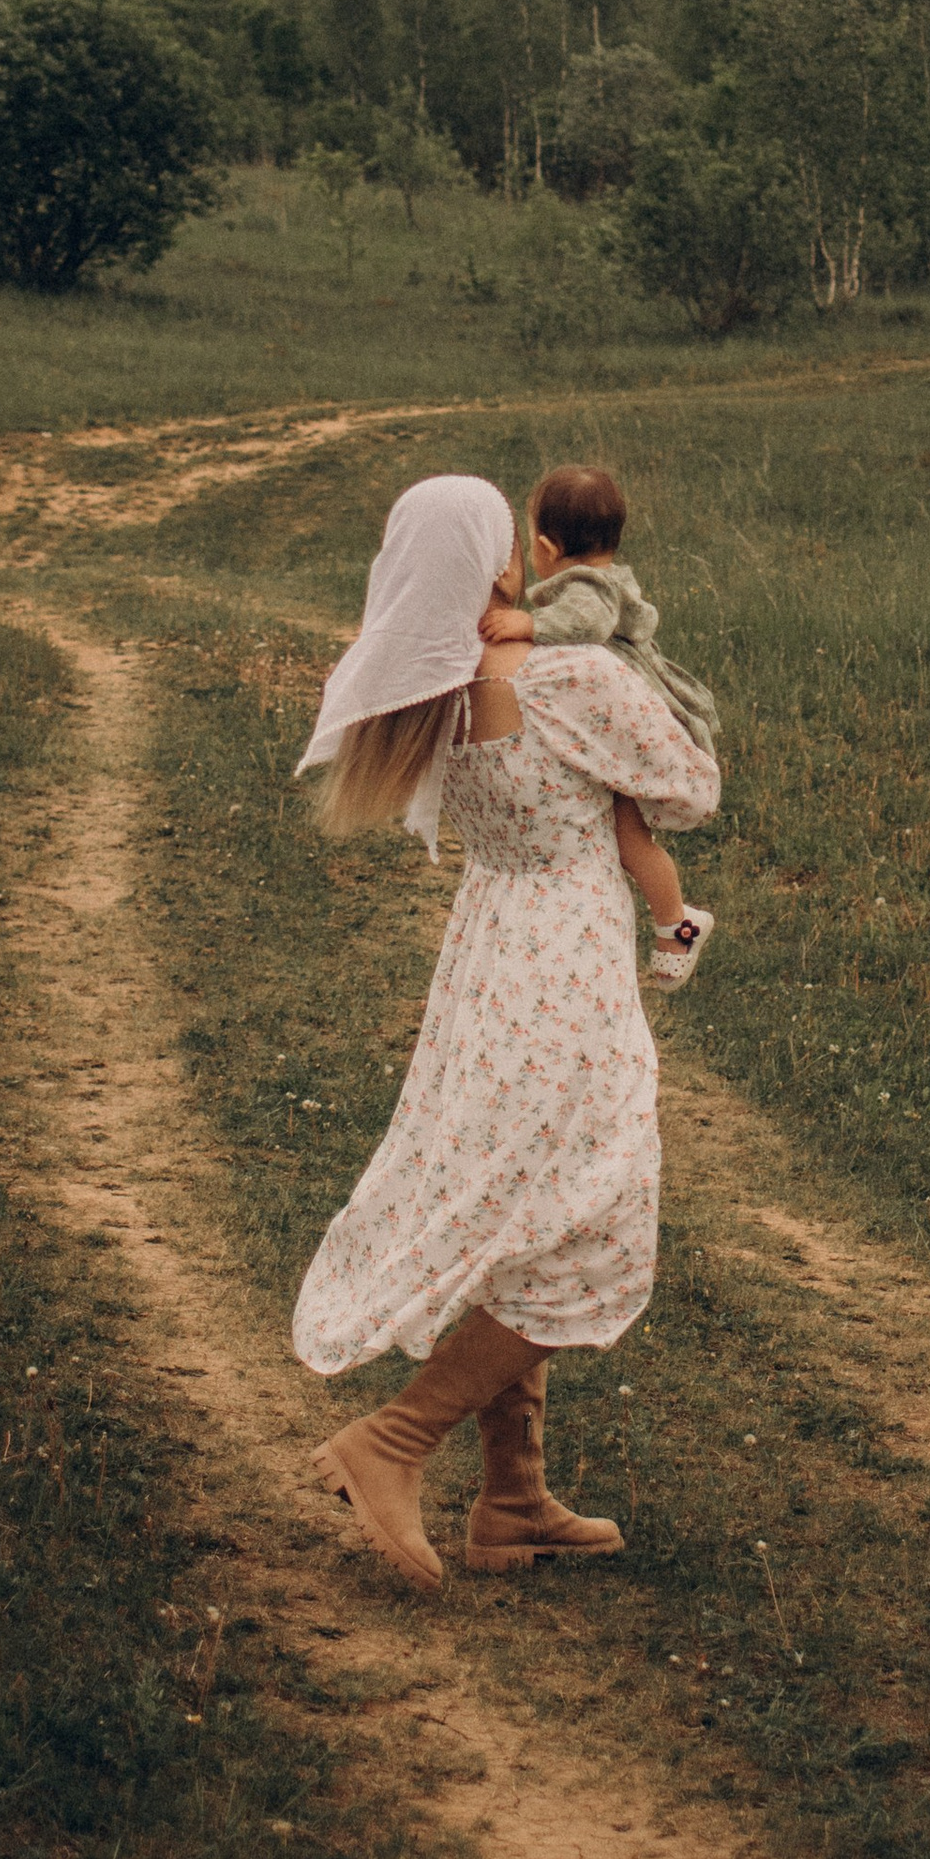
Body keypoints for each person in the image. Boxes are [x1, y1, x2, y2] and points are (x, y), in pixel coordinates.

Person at [289, 472, 721, 1593]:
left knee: (511, 1215)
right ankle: (392, 1441)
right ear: (504, 564)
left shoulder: (425, 696)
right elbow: (690, 792)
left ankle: (513, 1499)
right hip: (566, 971)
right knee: (594, 1209)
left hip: (487, 968)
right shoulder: (578, 677)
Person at [478, 460, 718, 990]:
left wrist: (530, 622)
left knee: (631, 841)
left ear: (544, 549)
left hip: (623, 725)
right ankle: (674, 920)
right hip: (607, 732)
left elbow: (587, 623)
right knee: (625, 835)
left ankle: (677, 923)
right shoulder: (599, 579)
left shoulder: (586, 590)